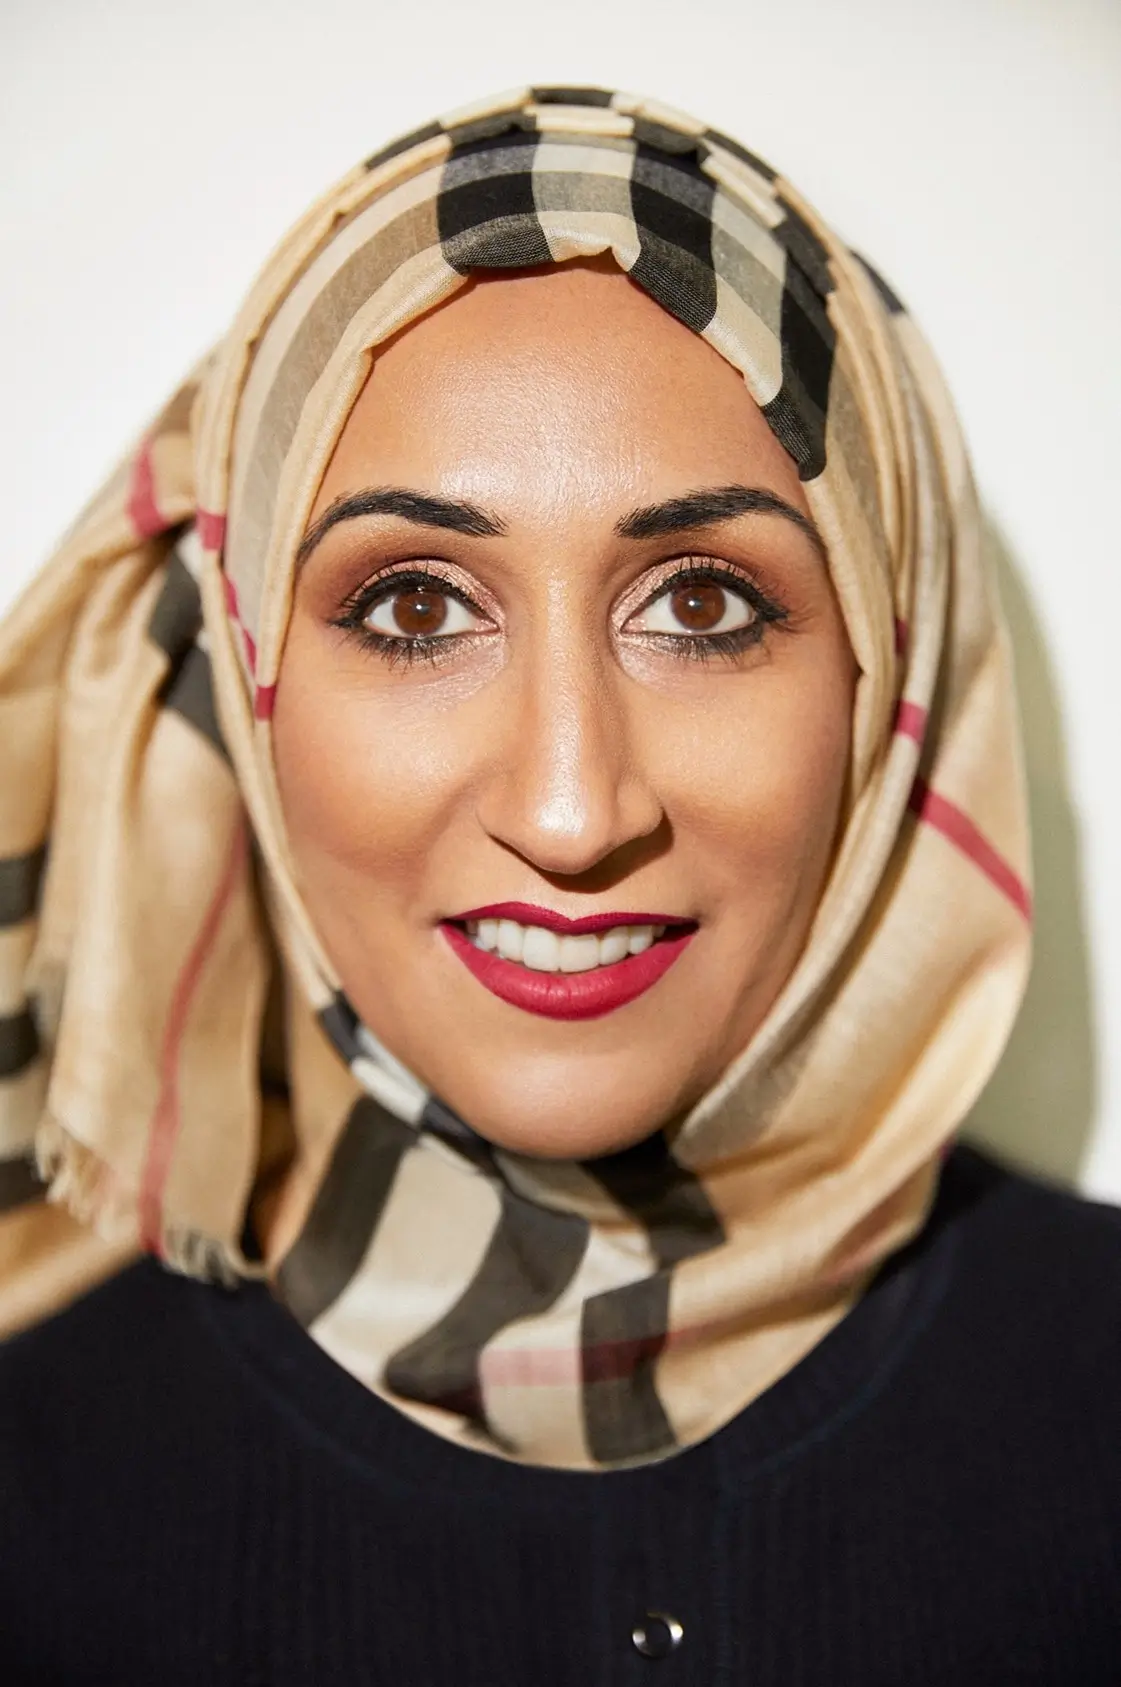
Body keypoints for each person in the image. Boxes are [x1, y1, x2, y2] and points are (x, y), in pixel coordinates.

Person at [0, 85, 1117, 1685]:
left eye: (708, 603)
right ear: (244, 679)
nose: (572, 806)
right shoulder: (37, 1494)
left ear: (889, 673)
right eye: (411, 610)